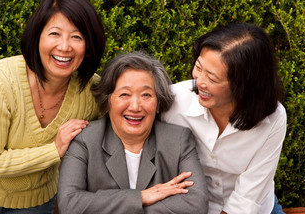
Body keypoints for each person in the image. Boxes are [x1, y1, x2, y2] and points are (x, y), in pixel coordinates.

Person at [0, 0, 105, 213]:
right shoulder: (1, 80)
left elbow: (125, 121)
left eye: (77, 37)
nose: (65, 46)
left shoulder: (92, 91)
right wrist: (54, 149)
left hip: (35, 202)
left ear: (89, 45)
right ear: (37, 36)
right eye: (54, 33)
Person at [57, 51, 209, 214]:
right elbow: (69, 204)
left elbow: (196, 204)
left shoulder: (178, 140)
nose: (135, 106)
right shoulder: (85, 140)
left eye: (146, 95)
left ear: (158, 103)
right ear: (108, 101)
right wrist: (141, 197)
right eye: (124, 94)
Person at [162, 23, 287, 214]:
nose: (200, 81)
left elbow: (247, 198)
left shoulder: (273, 118)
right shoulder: (173, 101)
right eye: (198, 67)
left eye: (212, 79)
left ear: (245, 85)